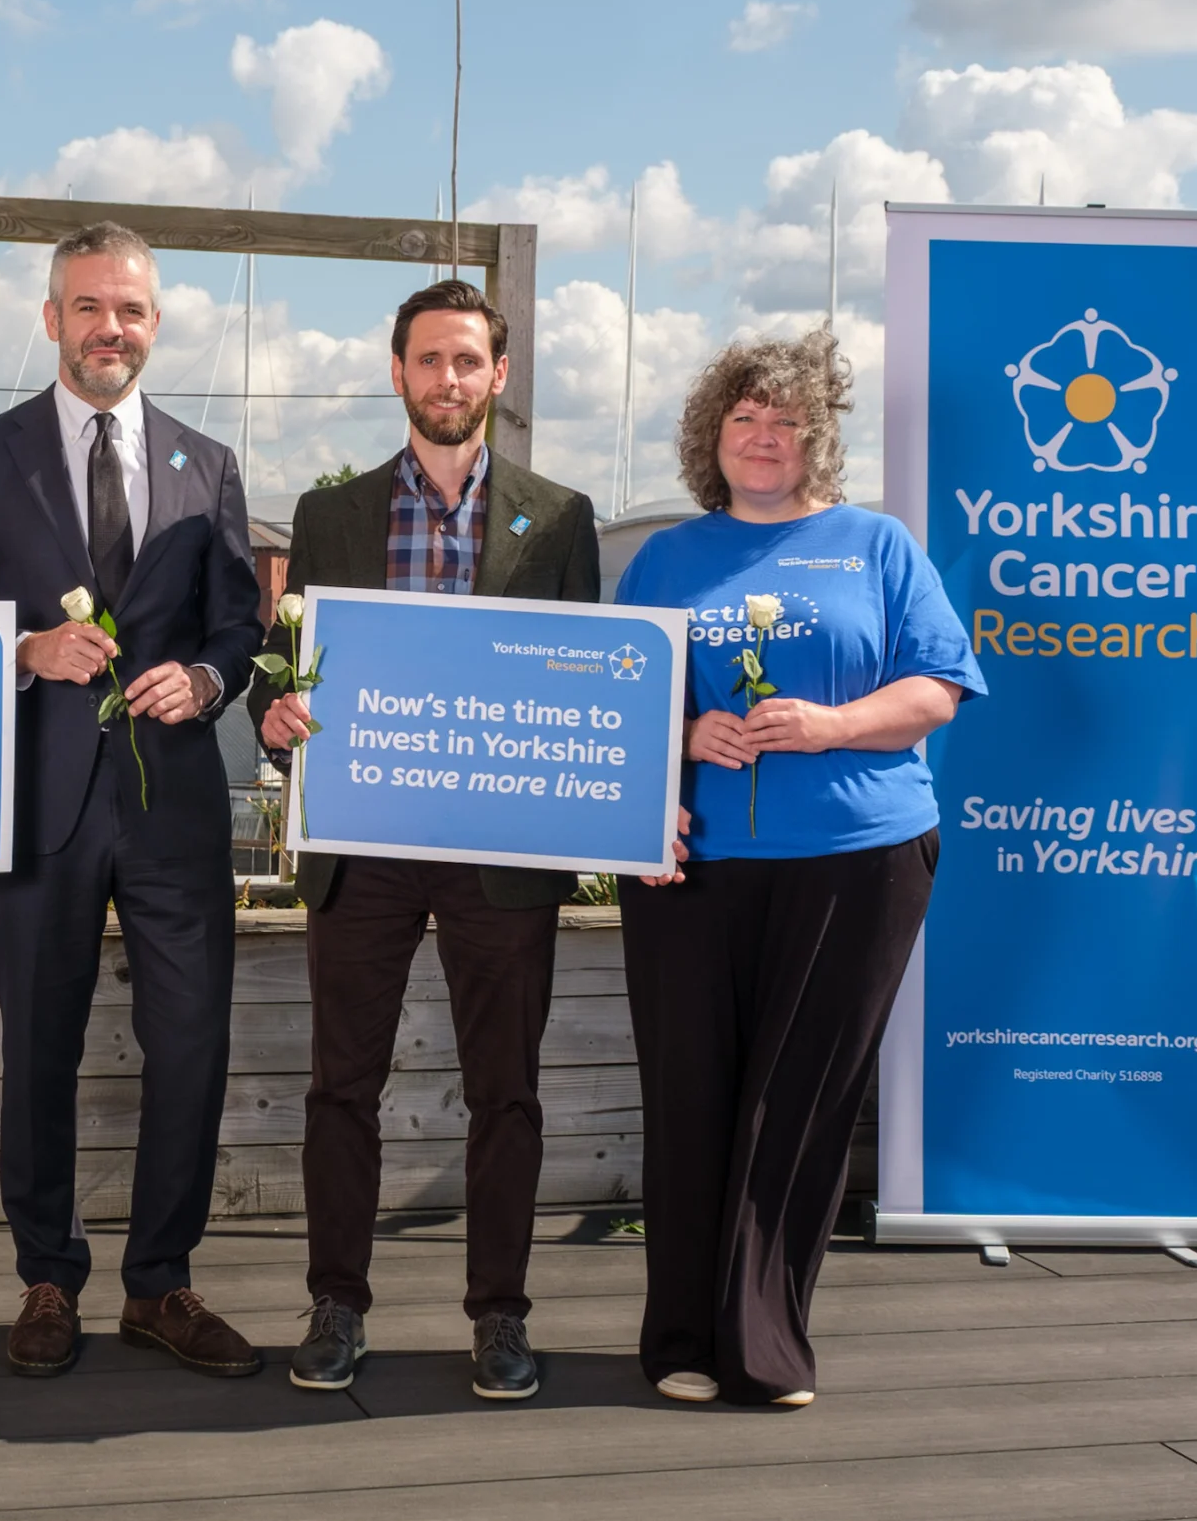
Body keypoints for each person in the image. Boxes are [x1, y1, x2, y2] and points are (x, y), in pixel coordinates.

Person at [612, 327, 984, 1408]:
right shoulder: (664, 559)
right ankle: (679, 1338)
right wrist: (683, 741)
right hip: (689, 868)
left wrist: (828, 725)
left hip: (858, 861)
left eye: (783, 421)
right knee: (689, 1095)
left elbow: (935, 689)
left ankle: (762, 1344)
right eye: (742, 418)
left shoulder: (875, 545)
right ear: (710, 437)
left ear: (814, 438)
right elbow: (602, 701)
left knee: (801, 1103)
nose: (762, 436)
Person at [0, 221, 265, 1378]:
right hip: (37, 802)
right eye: (86, 306)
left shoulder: (206, 463)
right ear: (51, 315)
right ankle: (45, 1279)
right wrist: (24, 651)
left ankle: (160, 1284)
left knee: (190, 1047)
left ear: (153, 326)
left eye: (129, 311)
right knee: (40, 1051)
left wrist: (208, 678)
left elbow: (239, 626)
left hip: (174, 808)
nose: (107, 328)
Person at [250, 277, 602, 1402]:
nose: (445, 380)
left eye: (466, 362)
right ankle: (335, 1303)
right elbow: (279, 664)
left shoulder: (558, 519)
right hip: (361, 844)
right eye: (426, 360)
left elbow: (587, 688)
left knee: (506, 1092)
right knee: (338, 1087)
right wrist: (274, 712)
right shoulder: (329, 516)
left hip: (502, 858)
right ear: (395, 371)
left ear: (496, 377)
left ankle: (498, 1315)